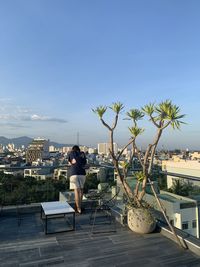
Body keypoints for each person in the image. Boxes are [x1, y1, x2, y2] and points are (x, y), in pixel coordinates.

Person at [68, 145, 87, 214]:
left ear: (73, 149)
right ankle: (80, 206)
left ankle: (78, 208)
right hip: (82, 173)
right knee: (81, 190)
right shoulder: (82, 153)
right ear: (79, 149)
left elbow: (70, 162)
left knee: (76, 190)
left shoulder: (71, 153)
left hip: (74, 174)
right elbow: (84, 163)